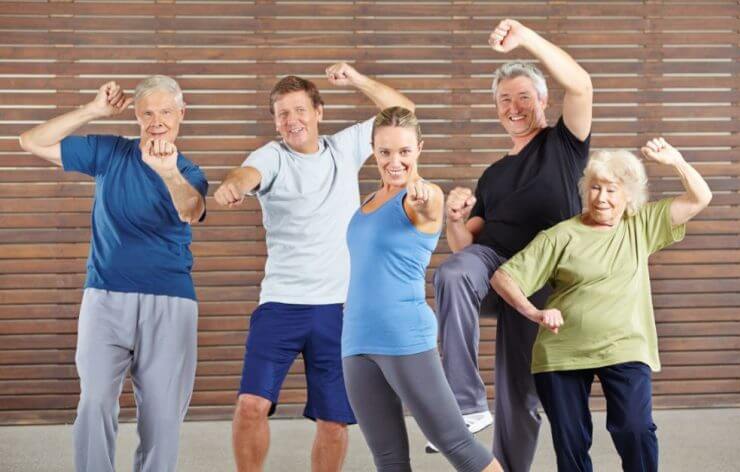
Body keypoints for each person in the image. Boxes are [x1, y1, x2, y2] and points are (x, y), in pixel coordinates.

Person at [213, 63, 414, 472]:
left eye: (300, 110)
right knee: (251, 405)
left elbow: (403, 112)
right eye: (283, 114)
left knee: (334, 420)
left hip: (339, 308)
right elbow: (247, 173)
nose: (292, 121)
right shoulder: (271, 157)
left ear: (318, 111)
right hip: (281, 304)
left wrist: (357, 80)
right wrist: (234, 183)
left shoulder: (344, 148)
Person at [18, 76, 208, 472]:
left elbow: (191, 210)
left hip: (169, 302)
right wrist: (93, 110)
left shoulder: (189, 171)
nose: (158, 121)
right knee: (94, 402)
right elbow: (31, 141)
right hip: (105, 297)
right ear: (136, 116)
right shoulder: (109, 152)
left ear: (181, 115)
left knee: (161, 416)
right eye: (148, 113)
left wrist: (168, 172)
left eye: (166, 112)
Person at [490, 139, 712, 471]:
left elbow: (700, 198)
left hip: (625, 347)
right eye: (595, 188)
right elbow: (503, 278)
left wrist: (676, 161)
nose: (601, 198)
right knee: (572, 443)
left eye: (611, 190)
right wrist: (534, 312)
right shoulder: (561, 235)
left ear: (629, 196)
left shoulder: (641, 226)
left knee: (635, 428)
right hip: (562, 353)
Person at [432, 18, 594, 470]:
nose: (514, 106)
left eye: (524, 96)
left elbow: (581, 84)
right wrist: (455, 217)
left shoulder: (563, 145)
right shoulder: (493, 173)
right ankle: (465, 403)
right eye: (505, 99)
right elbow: (465, 247)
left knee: (520, 396)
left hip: (538, 278)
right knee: (453, 271)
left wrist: (526, 38)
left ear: (543, 100)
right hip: (489, 263)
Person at [342, 106, 503, 472]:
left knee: (458, 444)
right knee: (388, 459)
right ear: (373, 150)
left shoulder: (422, 194)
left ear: (419, 149)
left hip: (404, 338)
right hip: (355, 341)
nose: (394, 161)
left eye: (404, 151)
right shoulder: (368, 201)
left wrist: (423, 199)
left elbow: (429, 205)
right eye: (384, 152)